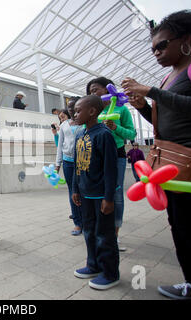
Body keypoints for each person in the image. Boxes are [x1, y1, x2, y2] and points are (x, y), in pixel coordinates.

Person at [122, 10, 191, 300]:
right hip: (170, 161)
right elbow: (164, 125)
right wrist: (143, 107)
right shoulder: (168, 77)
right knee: (183, 225)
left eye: (162, 45)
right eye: (153, 49)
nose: (157, 53)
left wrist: (150, 91)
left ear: (186, 39)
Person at [71, 95, 119, 290]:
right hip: (84, 194)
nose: (74, 113)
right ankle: (93, 265)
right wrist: (75, 189)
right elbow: (76, 165)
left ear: (92, 112)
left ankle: (110, 273)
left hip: (101, 196)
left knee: (104, 235)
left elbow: (111, 169)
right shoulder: (80, 134)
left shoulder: (104, 135)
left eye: (78, 110)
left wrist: (109, 198)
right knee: (89, 232)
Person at [87, 77, 136, 251]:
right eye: (91, 91)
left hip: (117, 155)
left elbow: (131, 133)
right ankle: (100, 232)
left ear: (108, 89)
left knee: (115, 194)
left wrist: (116, 128)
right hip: (96, 158)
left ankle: (114, 235)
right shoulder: (93, 111)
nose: (93, 93)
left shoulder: (122, 110)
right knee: (98, 194)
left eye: (96, 89)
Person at [55, 97, 84, 235]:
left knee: (83, 190)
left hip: (83, 162)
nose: (71, 109)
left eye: (74, 106)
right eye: (69, 107)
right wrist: (57, 164)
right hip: (68, 162)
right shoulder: (64, 125)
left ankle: (87, 219)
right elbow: (60, 145)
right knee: (72, 191)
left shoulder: (84, 123)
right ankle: (77, 223)